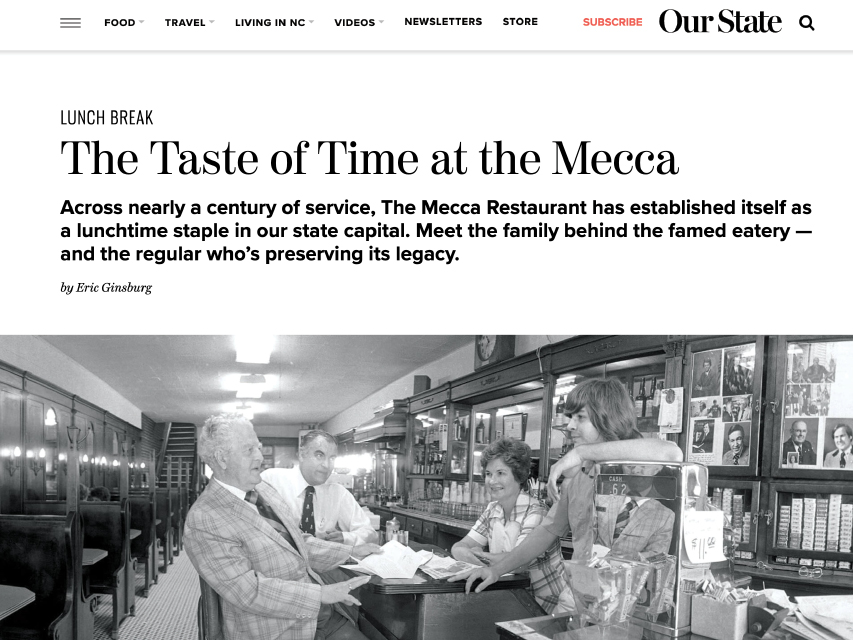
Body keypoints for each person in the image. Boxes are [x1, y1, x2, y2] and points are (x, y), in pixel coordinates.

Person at [450, 378, 682, 600]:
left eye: (580, 417)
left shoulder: (640, 466)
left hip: (637, 604)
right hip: (583, 597)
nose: (570, 425)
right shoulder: (582, 475)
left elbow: (672, 453)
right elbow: (546, 532)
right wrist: (497, 570)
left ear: (608, 419)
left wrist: (581, 453)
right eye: (571, 417)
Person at [184, 413, 380, 640]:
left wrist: (350, 551)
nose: (260, 456)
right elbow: (248, 591)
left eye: (258, 447)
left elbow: (299, 542)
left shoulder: (263, 490)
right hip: (275, 629)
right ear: (222, 458)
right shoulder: (204, 519)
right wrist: (320, 594)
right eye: (249, 450)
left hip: (318, 616)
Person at [450, 439, 568, 614]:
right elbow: (458, 547)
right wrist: (476, 556)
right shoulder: (492, 509)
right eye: (488, 473)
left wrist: (479, 555)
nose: (492, 480)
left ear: (519, 475)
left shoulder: (536, 511)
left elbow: (517, 562)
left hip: (545, 604)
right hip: (511, 595)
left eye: (500, 473)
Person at [262, 430, 378, 545]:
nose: (326, 465)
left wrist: (345, 537)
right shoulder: (272, 480)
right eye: (319, 455)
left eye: (332, 458)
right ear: (302, 455)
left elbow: (370, 533)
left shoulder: (337, 493)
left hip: (325, 561)